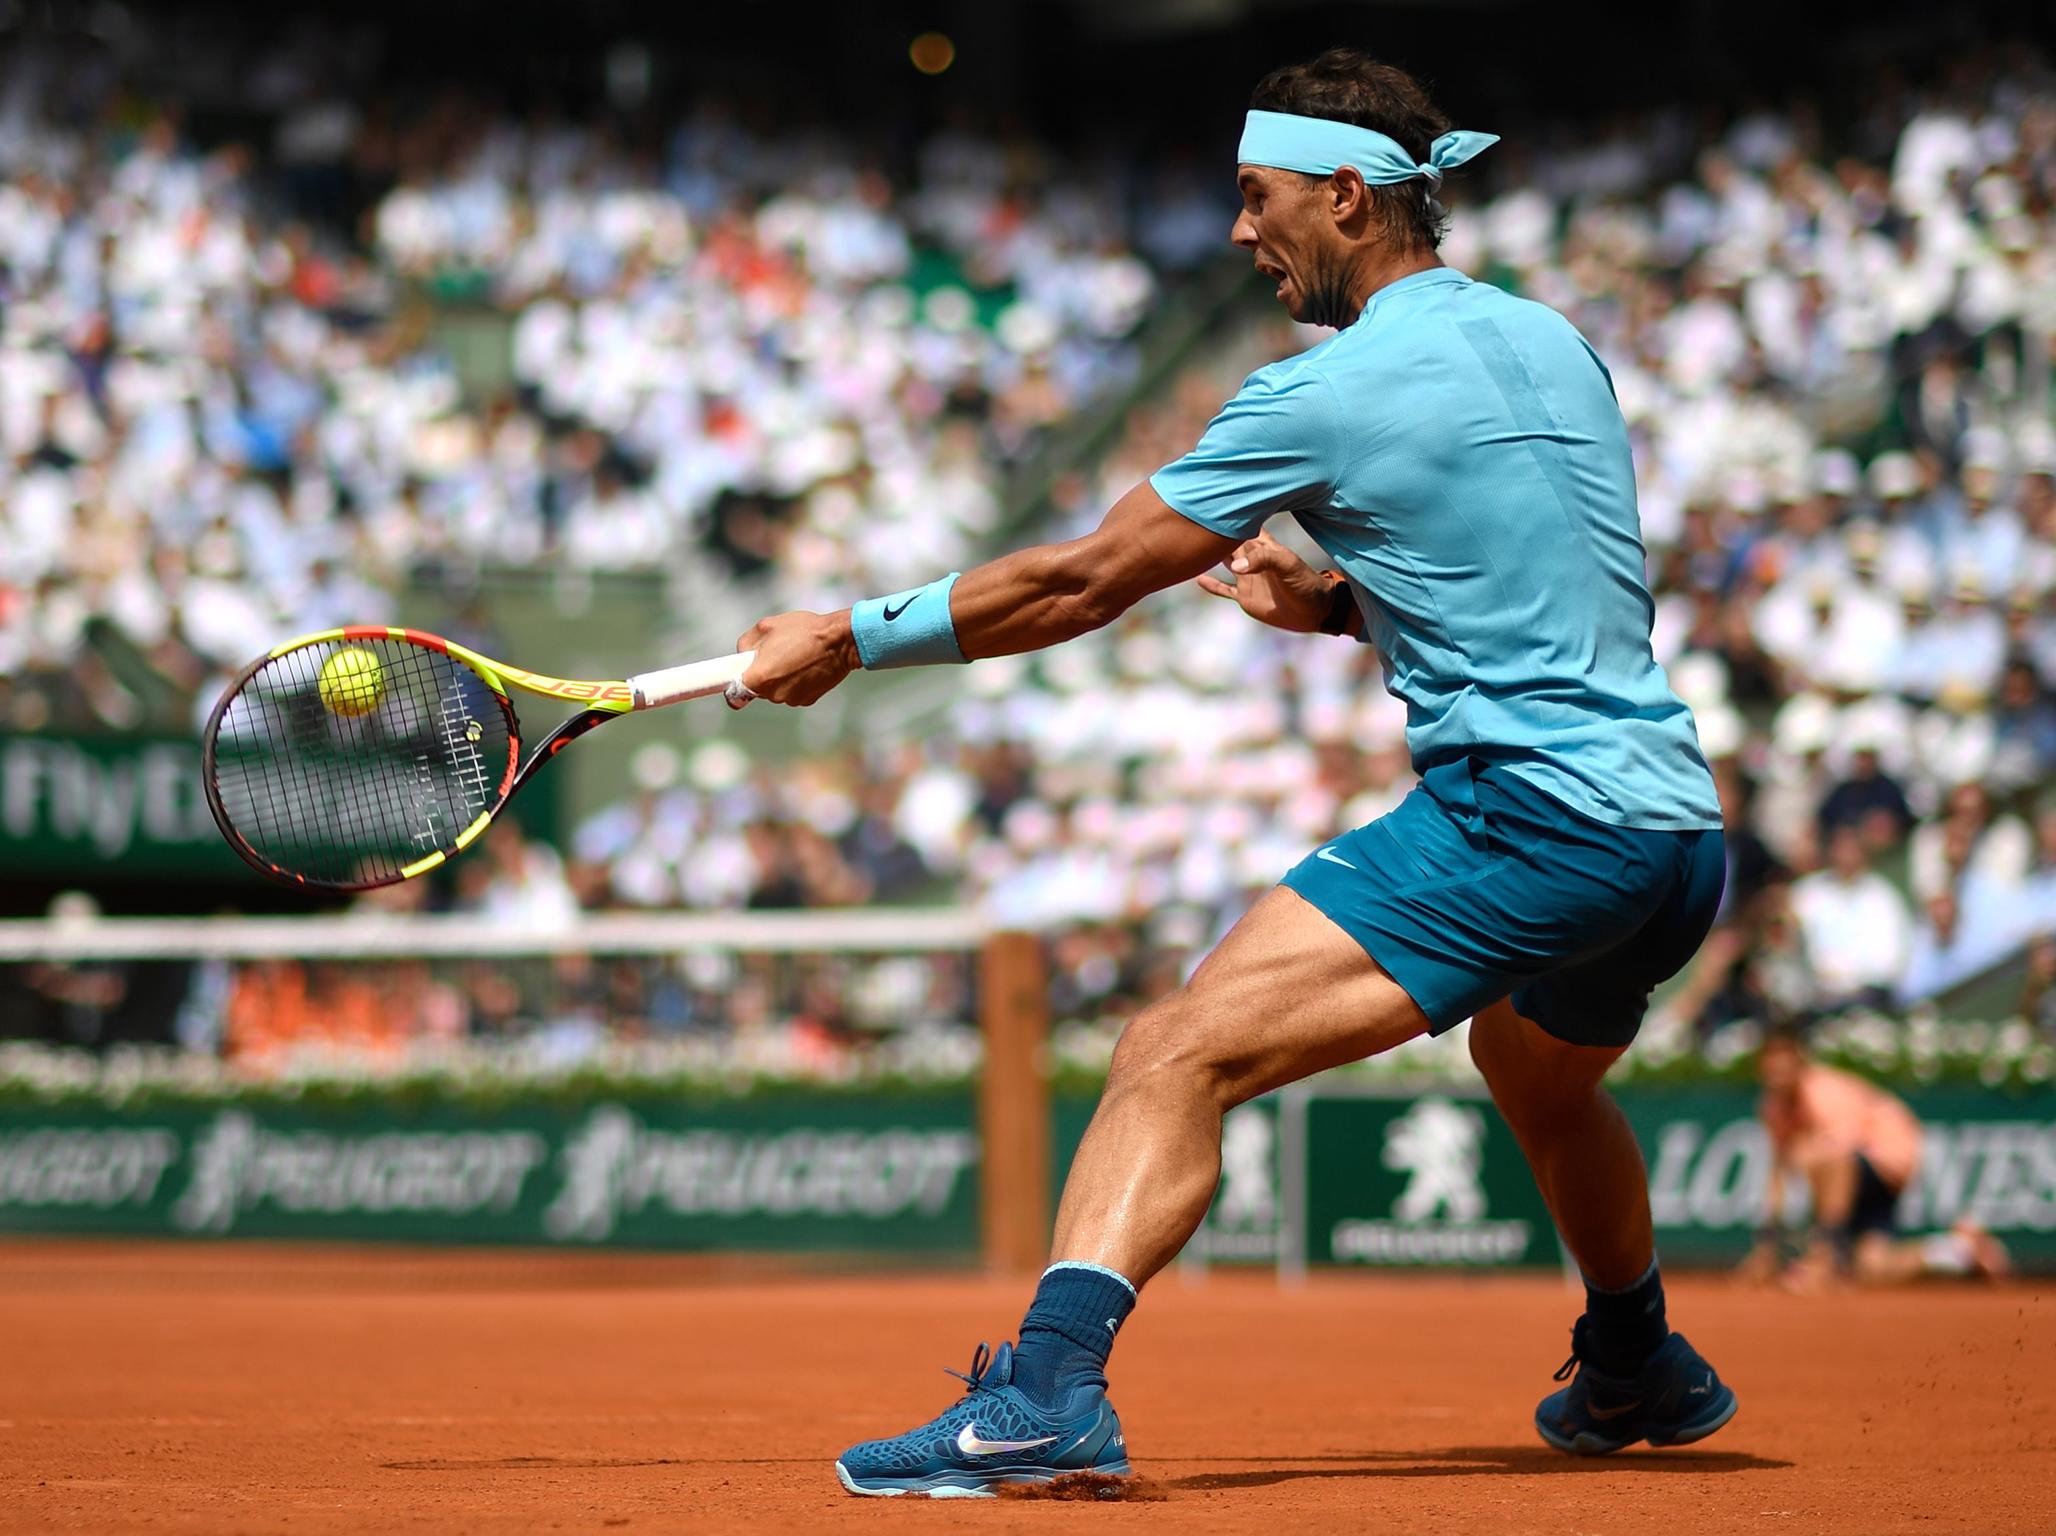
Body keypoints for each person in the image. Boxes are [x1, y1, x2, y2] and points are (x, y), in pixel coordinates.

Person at [730, 48, 1737, 1496]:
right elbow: (1538, 580)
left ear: (1347, 196)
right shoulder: (1554, 342)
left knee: (1170, 1052)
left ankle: (1045, 1394)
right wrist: (1332, 605)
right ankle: (1637, 1356)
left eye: (1258, 198)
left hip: (1532, 820)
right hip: (1675, 830)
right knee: (1534, 1062)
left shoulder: (1316, 391)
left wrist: (849, 635)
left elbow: (1080, 582)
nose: (1236, 231)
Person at [1743, 1028, 2008, 1286]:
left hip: (1889, 1157)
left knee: (1817, 1156)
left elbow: (1836, 1159)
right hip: (1860, 1175)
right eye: (1771, 1068)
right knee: (1873, 1268)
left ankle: (1825, 1255)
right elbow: (1777, 1173)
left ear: (1799, 1065)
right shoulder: (1773, 1106)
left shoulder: (1825, 1092)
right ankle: (1959, 1250)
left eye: (1784, 1067)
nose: (1777, 1075)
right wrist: (1766, 1245)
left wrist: (1822, 1246)